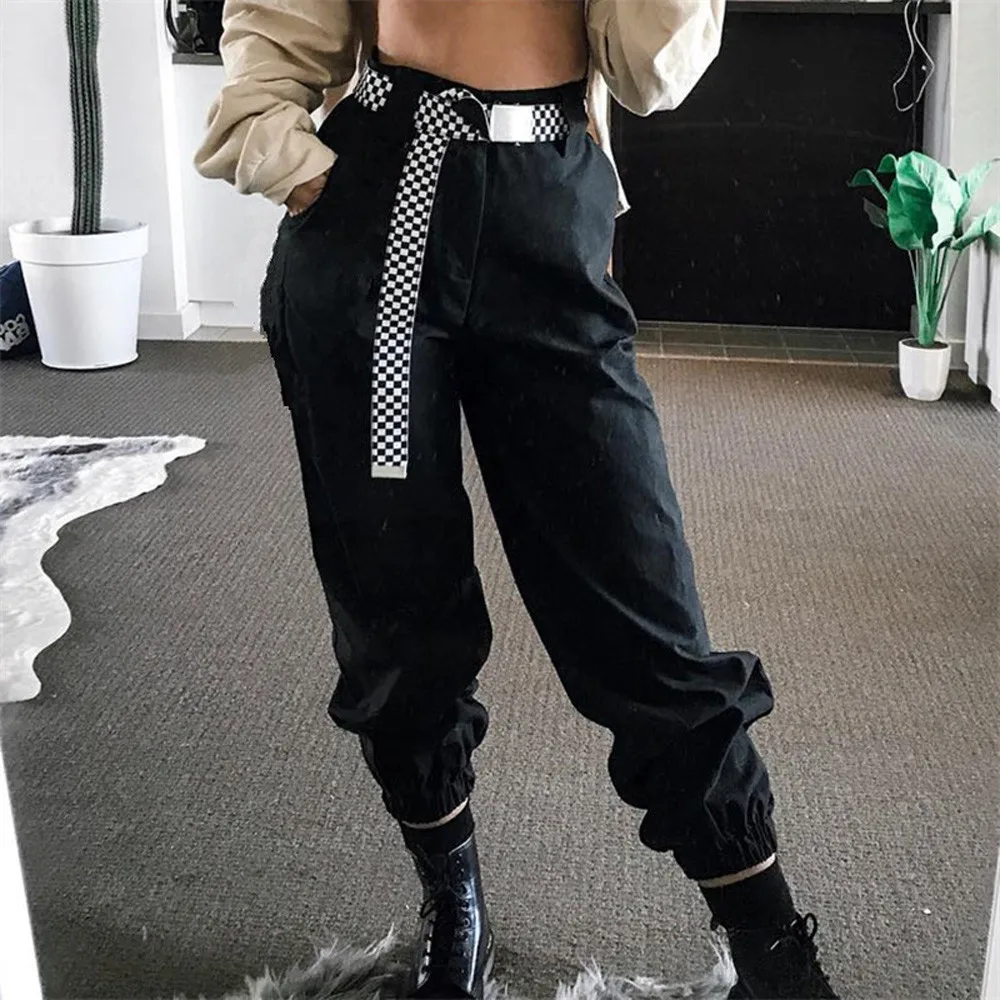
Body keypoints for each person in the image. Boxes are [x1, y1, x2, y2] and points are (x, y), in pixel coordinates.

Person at [194, 2, 838, 997]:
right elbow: (280, 25)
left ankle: (771, 947)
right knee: (395, 600)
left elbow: (652, 72)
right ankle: (452, 899)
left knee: (641, 609)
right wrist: (296, 161)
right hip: (380, 219)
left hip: (549, 209)